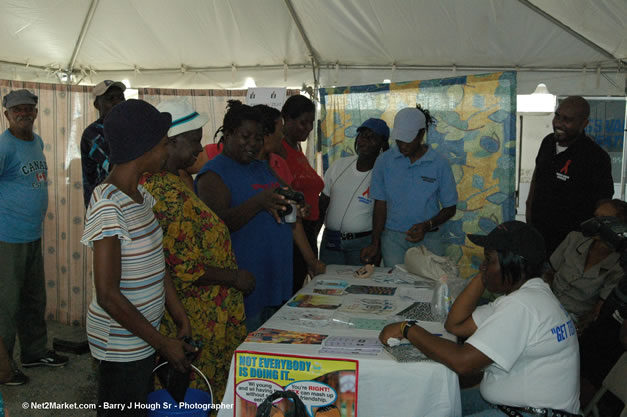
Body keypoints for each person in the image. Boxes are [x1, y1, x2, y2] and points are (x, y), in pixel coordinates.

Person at [380, 221, 581, 416]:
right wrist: (485, 276)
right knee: (431, 404)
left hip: (531, 412)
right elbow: (455, 325)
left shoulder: (522, 305)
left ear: (514, 263)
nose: (482, 267)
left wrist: (408, 329)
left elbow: (463, 362)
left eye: (489, 260)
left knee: (427, 405)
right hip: (516, 406)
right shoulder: (529, 295)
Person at [81, 99, 194, 416]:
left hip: (143, 335)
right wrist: (162, 342)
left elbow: (158, 266)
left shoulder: (142, 197)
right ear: (140, 148)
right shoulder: (108, 206)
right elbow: (107, 295)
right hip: (120, 344)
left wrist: (179, 315)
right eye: (162, 145)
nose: (166, 152)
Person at [141, 98, 254, 402]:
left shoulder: (176, 181)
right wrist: (233, 278)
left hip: (209, 313)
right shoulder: (162, 192)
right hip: (194, 315)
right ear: (170, 141)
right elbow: (181, 266)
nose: (199, 150)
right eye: (193, 141)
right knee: (195, 393)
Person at [195, 101, 294, 331]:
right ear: (228, 134)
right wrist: (258, 202)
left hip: (276, 279)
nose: (252, 143)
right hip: (246, 283)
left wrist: (293, 201)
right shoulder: (213, 174)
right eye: (245, 136)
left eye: (258, 138)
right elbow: (218, 225)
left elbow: (282, 194)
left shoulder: (260, 166)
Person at [0, 89, 68, 387]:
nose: (24, 113)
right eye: (18, 110)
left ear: (36, 112)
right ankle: (2, 367)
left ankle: (34, 352)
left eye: (29, 108)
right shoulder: (3, 146)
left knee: (33, 298)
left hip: (31, 235)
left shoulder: (37, 142)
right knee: (6, 305)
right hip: (7, 239)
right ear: (7, 115)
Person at [361, 106, 458, 267]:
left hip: (429, 238)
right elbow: (380, 205)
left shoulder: (439, 163)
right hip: (393, 240)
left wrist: (427, 225)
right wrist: (375, 243)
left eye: (408, 140)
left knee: (430, 286)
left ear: (421, 134)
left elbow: (450, 207)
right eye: (399, 140)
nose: (402, 145)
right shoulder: (384, 162)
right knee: (396, 285)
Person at [526, 96, 614, 256]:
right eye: (557, 116)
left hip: (570, 251)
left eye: (567, 120)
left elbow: (604, 207)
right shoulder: (547, 143)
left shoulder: (596, 157)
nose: (558, 123)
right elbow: (536, 179)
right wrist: (529, 212)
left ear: (584, 124)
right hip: (538, 241)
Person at [255, 104, 326, 276]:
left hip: (295, 234)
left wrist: (310, 259)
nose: (281, 136)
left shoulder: (273, 164)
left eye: (311, 123)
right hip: (269, 245)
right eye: (303, 123)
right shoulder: (274, 160)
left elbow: (292, 214)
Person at [544, 199, 627, 331]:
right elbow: (548, 272)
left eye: (604, 219)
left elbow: (598, 310)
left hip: (573, 320)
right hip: (546, 304)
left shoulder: (619, 266)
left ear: (620, 225)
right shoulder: (574, 239)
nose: (596, 223)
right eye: (596, 217)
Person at [318, 118, 390, 266]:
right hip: (330, 242)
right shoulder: (339, 165)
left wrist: (377, 246)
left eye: (372, 138)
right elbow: (322, 204)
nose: (365, 141)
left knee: (360, 287)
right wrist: (312, 238)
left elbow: (384, 215)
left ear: (382, 144)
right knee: (327, 286)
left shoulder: (384, 174)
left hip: (362, 245)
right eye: (363, 136)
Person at [279, 95, 324, 292]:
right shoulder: (279, 151)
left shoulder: (297, 148)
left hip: (309, 229)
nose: (308, 128)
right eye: (302, 122)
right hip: (293, 233)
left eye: (311, 123)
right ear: (287, 119)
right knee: (294, 291)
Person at [80, 80, 126, 208]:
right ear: (97, 105)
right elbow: (118, 167)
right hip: (102, 208)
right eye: (110, 99)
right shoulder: (93, 133)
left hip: (122, 205)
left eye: (121, 98)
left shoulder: (125, 128)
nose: (118, 103)